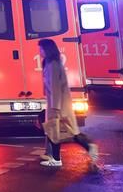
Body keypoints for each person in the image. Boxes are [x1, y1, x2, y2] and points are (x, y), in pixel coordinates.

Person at [38, 38, 98, 169]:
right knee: (61, 131)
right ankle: (55, 156)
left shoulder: (53, 65)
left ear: (47, 49)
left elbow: (55, 87)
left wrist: (55, 107)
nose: (40, 51)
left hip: (58, 105)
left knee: (59, 131)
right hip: (58, 104)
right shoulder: (51, 63)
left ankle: (58, 158)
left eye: (41, 49)